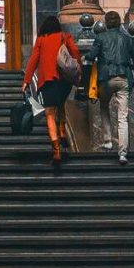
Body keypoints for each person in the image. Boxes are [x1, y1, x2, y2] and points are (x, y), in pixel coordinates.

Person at [23, 13, 84, 169]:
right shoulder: (65, 36)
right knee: (61, 104)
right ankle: (62, 129)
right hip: (64, 80)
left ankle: (56, 150)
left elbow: (33, 60)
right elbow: (75, 52)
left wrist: (26, 81)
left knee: (49, 113)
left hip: (47, 81)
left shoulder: (41, 40)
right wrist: (79, 70)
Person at [92, 11, 134, 164]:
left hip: (105, 80)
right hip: (124, 78)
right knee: (123, 117)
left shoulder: (100, 38)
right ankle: (122, 153)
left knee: (104, 106)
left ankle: (108, 140)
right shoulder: (128, 39)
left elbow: (91, 56)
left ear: (106, 23)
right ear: (120, 22)